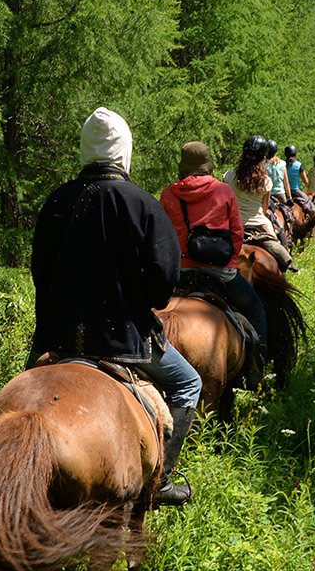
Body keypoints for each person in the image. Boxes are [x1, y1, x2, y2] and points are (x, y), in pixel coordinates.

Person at [27, 107, 201, 507]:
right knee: (188, 383)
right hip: (124, 338)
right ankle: (160, 484)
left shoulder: (56, 201)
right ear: (124, 151)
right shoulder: (142, 204)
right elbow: (161, 290)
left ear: (86, 149)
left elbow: (41, 272)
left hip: (56, 336)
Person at [160, 142, 268, 385]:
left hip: (179, 273)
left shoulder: (168, 194)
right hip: (220, 273)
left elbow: (163, 236)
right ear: (207, 165)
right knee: (258, 312)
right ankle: (254, 375)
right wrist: (229, 263)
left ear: (183, 167)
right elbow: (237, 233)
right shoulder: (223, 191)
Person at [224, 135, 298, 274]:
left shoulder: (229, 176)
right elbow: (264, 210)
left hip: (231, 224)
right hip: (259, 223)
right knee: (278, 245)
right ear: (263, 158)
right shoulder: (266, 182)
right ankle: (286, 267)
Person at [265, 140, 291, 205]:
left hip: (267, 196)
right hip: (280, 195)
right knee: (288, 213)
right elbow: (286, 183)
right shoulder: (282, 163)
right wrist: (289, 198)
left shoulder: (262, 165)